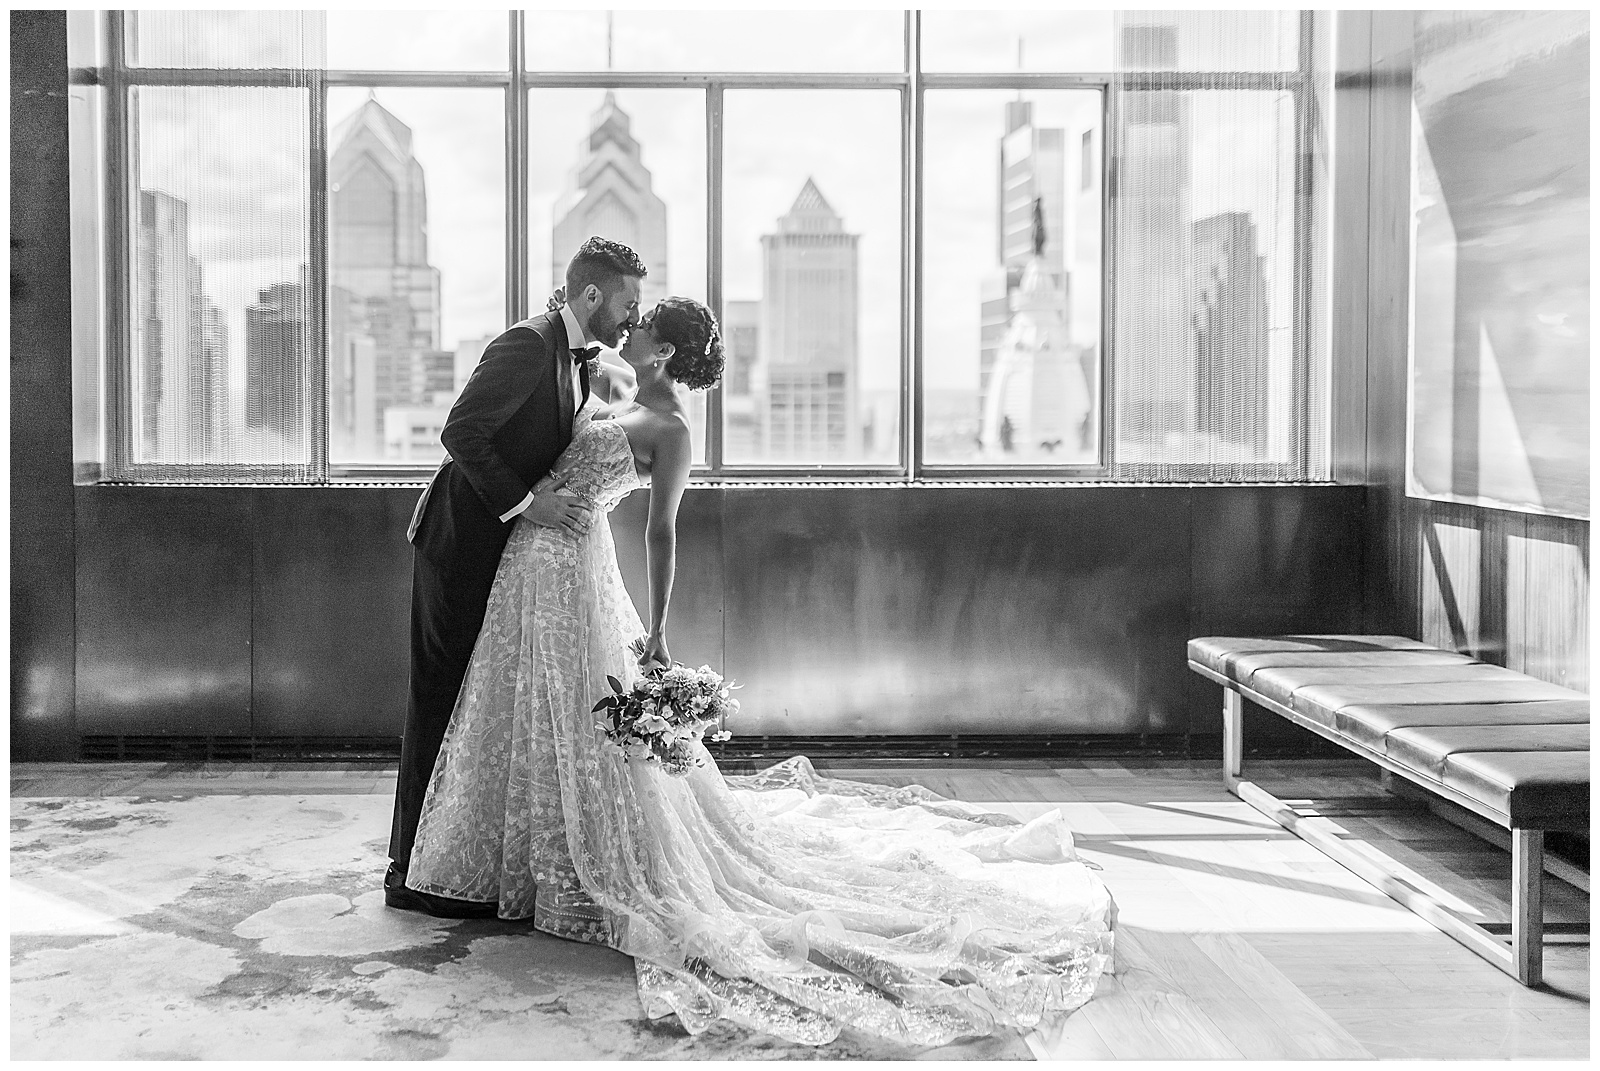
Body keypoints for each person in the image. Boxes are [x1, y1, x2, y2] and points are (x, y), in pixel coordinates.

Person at [405, 295, 1116, 1047]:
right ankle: (525, 859)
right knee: (528, 708)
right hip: (536, 565)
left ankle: (577, 863)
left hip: (574, 571)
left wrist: (660, 628)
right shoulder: (609, 392)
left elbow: (663, 532)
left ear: (664, 353)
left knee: (582, 720)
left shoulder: (672, 430)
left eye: (641, 326)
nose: (629, 328)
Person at [385, 237, 647, 918]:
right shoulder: (528, 344)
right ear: (591, 295)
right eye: (627, 303)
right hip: (456, 544)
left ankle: (447, 859)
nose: (631, 318)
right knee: (438, 703)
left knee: (468, 707)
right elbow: (461, 431)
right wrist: (532, 503)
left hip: (499, 552)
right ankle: (404, 873)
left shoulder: (583, 362)